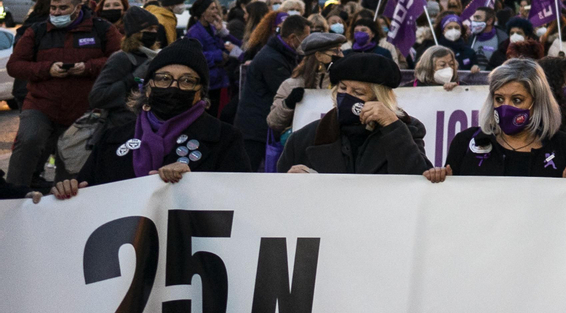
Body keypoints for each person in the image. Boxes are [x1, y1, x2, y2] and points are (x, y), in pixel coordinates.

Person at [53, 38, 253, 198]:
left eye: (186, 81)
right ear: (147, 87)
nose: (173, 86)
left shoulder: (225, 139)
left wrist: (195, 182)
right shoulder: (112, 139)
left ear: (200, 92)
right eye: (164, 78)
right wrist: (69, 191)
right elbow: (89, 191)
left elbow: (241, 198)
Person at [5, 0, 120, 189]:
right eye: (53, 8)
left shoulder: (102, 30)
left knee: (70, 167)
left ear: (78, 8)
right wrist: (47, 69)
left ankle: (65, 206)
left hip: (81, 110)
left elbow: (118, 60)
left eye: (63, 8)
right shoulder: (38, 31)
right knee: (29, 140)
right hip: (41, 105)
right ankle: (12, 193)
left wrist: (87, 67)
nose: (56, 13)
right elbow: (14, 66)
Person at [425, 59, 566, 182]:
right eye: (499, 99)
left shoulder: (562, 146)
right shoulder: (467, 142)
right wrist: (438, 178)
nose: (506, 107)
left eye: (517, 100)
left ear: (537, 102)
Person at [277, 53, 429, 175]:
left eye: (358, 92)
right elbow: (281, 195)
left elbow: (415, 178)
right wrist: (295, 183)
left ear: (379, 98)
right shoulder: (303, 139)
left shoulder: (408, 130)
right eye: (343, 88)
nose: (347, 97)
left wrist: (391, 125)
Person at [237, 14, 308, 150]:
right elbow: (284, 89)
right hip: (256, 125)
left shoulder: (283, 54)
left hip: (258, 122)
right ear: (293, 38)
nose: (306, 43)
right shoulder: (272, 60)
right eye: (305, 39)